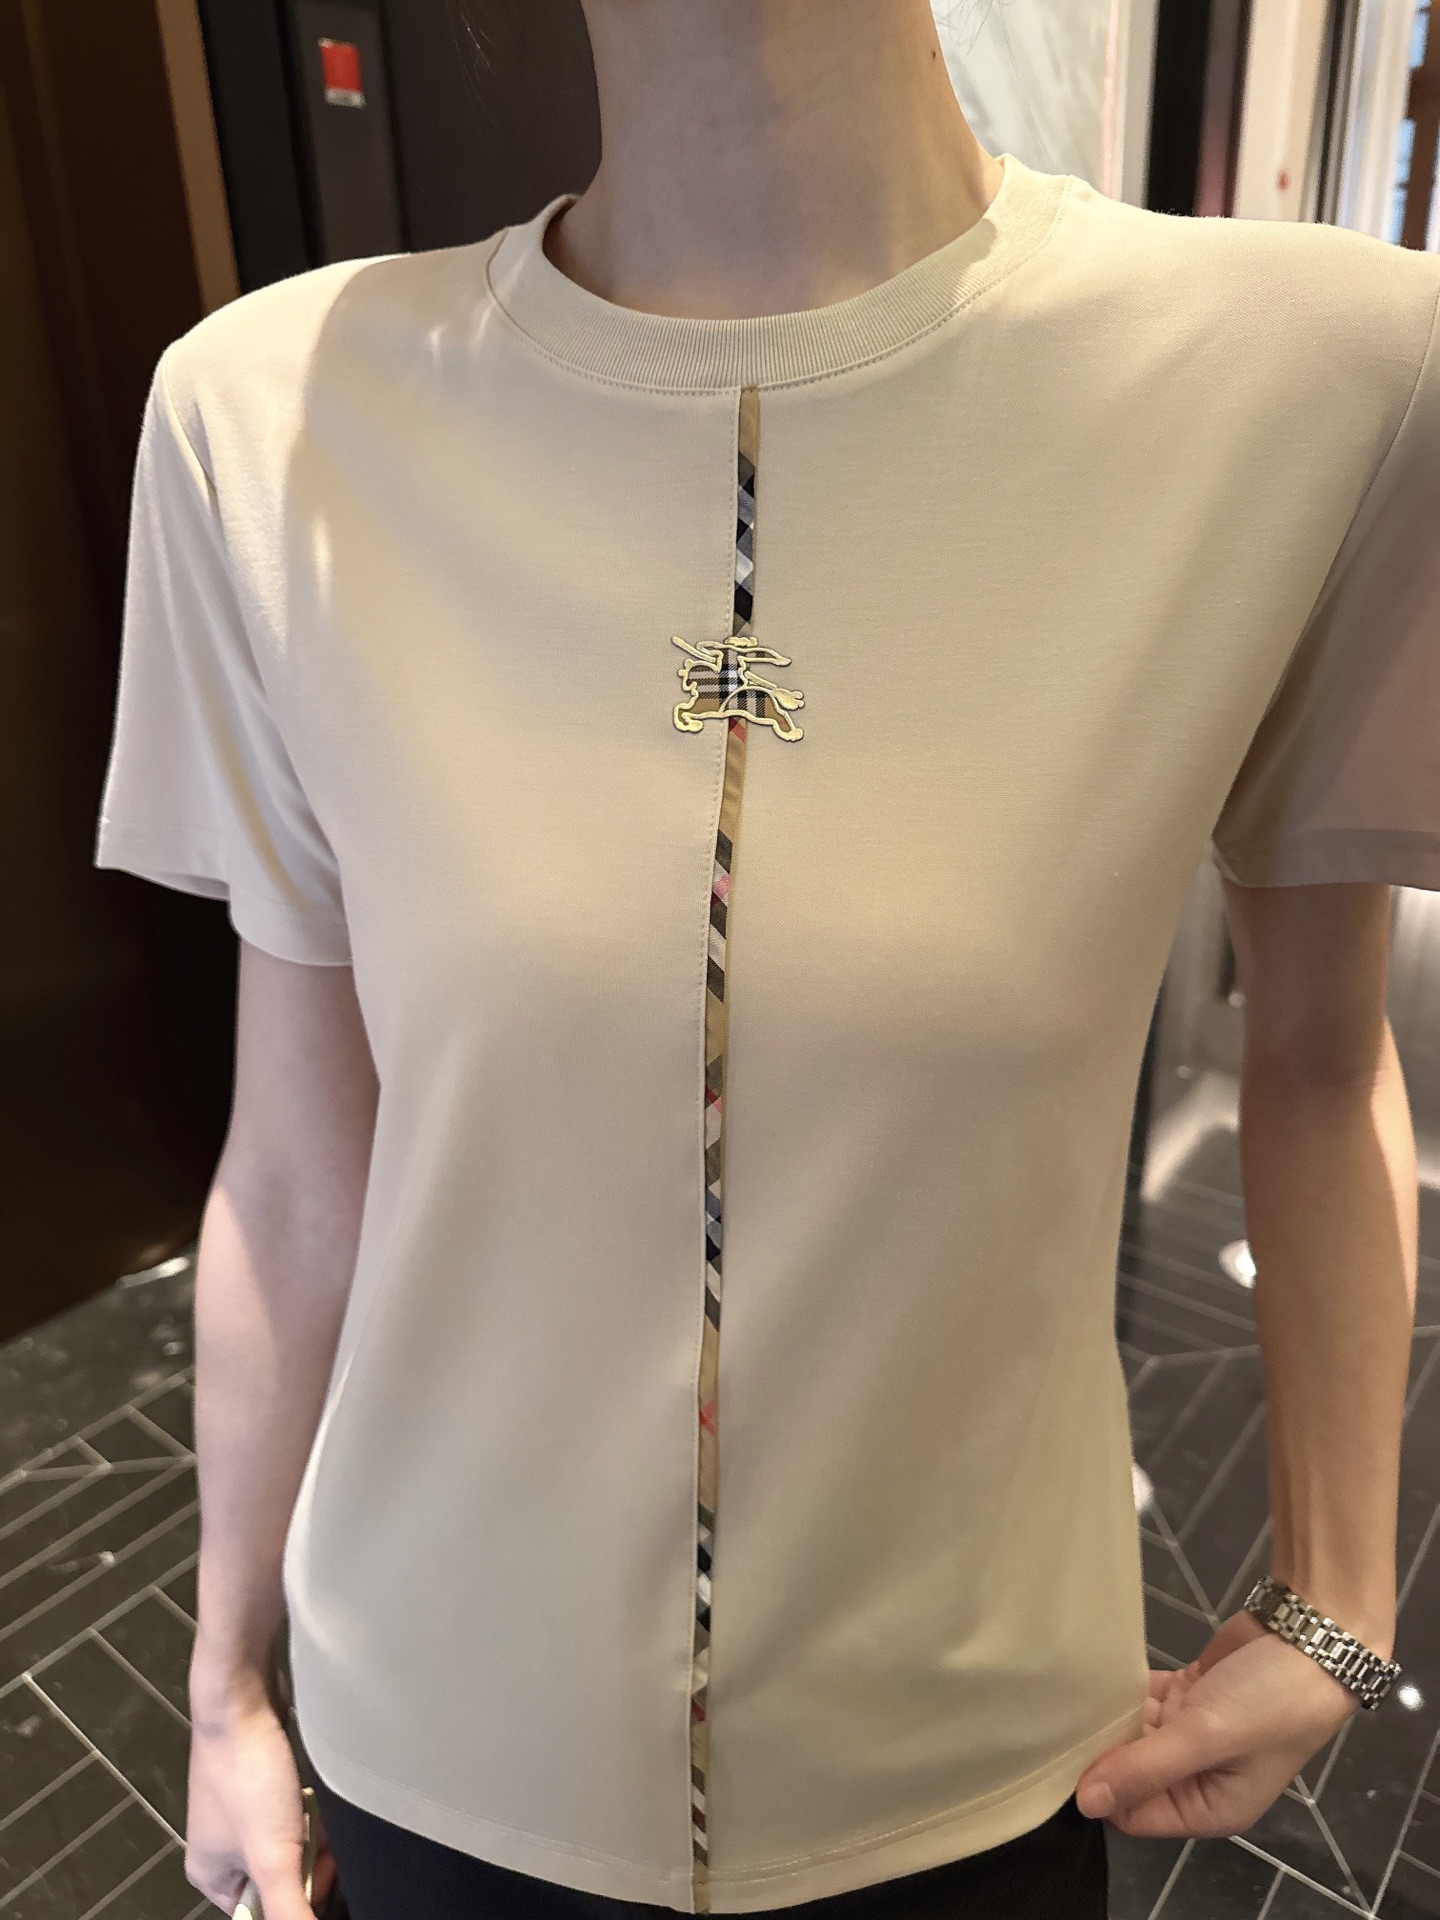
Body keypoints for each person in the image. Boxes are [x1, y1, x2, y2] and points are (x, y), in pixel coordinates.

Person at [93, 1, 1434, 1915]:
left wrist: (1342, 1596)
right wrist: (223, 1678)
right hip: (433, 1744)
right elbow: (300, 1158)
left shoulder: (1323, 380)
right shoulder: (263, 411)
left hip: (982, 1758)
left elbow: (1316, 1057)